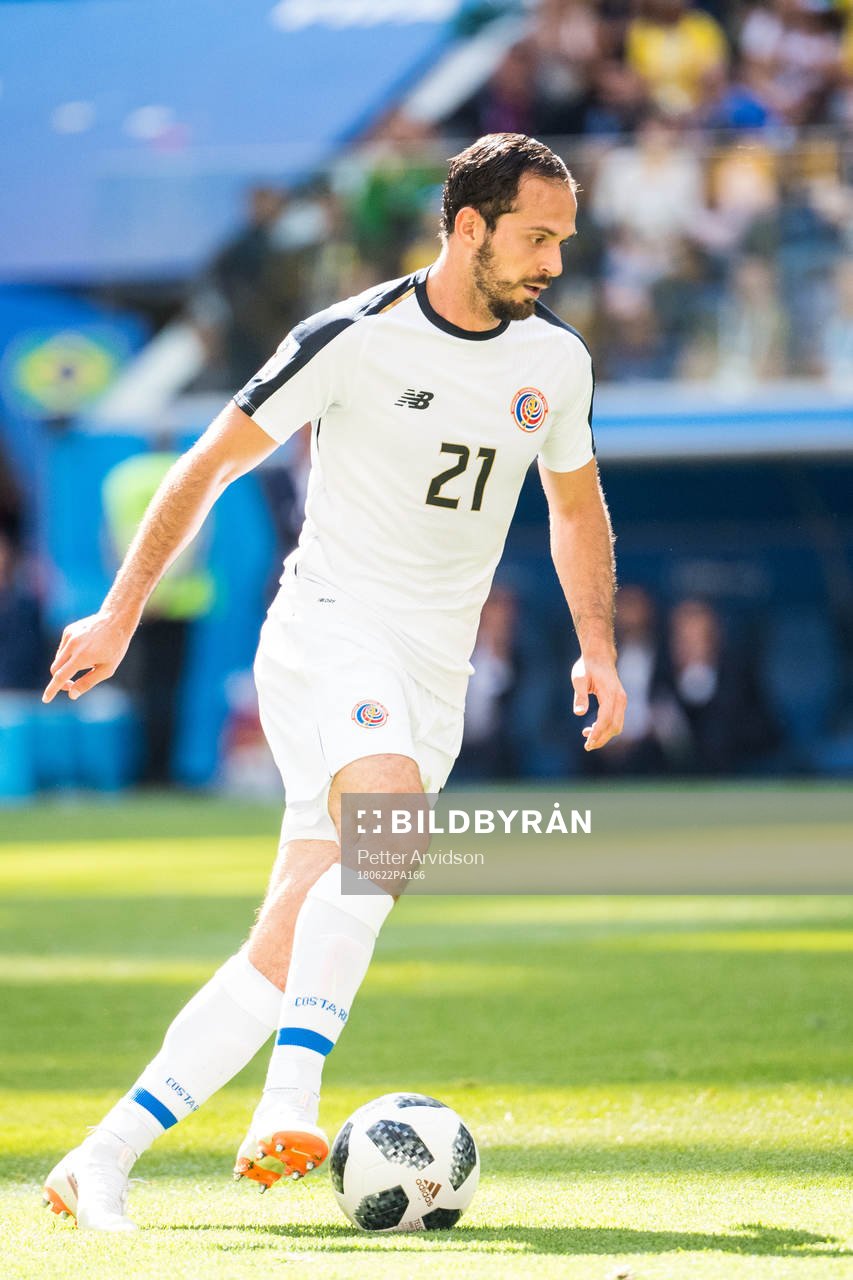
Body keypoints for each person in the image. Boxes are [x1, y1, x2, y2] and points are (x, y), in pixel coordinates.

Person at [40, 133, 626, 1232]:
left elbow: (575, 506)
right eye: (536, 237)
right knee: (390, 836)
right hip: (327, 631)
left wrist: (594, 639)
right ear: (468, 226)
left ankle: (99, 1156)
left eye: (563, 240)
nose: (553, 261)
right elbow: (205, 463)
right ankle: (288, 1105)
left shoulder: (557, 363)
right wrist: (119, 612)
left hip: (427, 673)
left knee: (286, 940)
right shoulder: (352, 337)